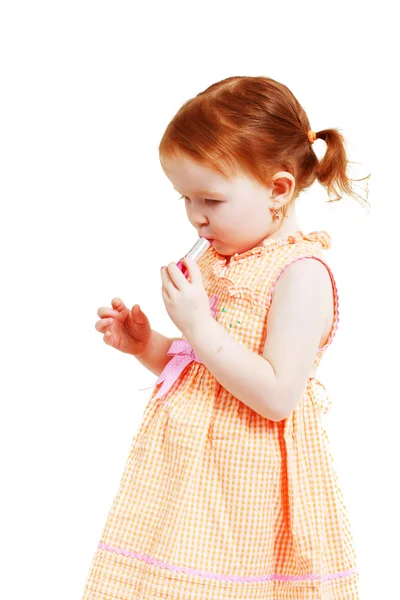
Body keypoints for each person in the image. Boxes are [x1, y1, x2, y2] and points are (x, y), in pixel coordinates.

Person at [82, 75, 369, 600]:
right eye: (185, 198)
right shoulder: (222, 262)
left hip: (245, 488)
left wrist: (198, 324)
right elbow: (207, 369)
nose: (195, 217)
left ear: (278, 190)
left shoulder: (299, 274)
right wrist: (150, 345)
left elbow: (276, 396)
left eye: (210, 199)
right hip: (186, 478)